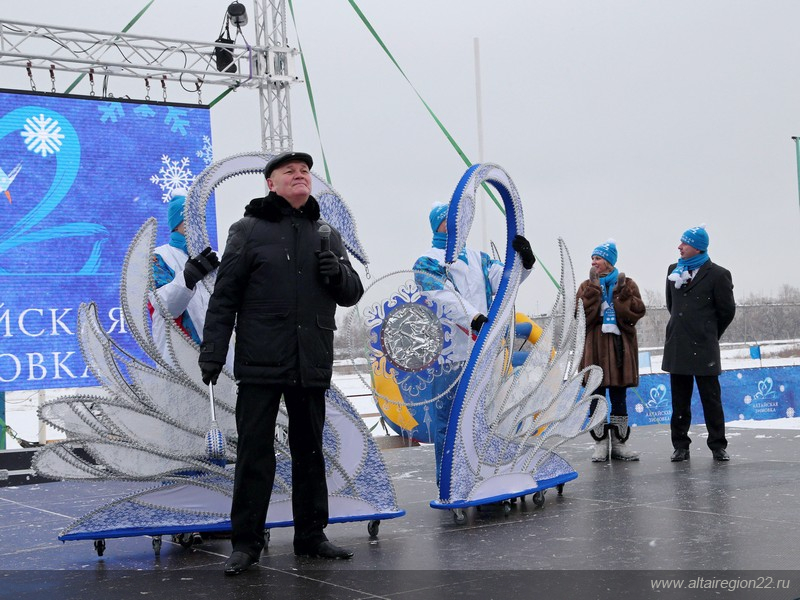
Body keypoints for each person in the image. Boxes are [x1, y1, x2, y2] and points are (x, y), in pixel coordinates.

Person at [198, 151, 364, 575]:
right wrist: (213, 351)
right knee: (254, 454)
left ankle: (311, 535)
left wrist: (336, 272)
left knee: (310, 452)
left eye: (305, 171)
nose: (300, 175)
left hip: (311, 360)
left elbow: (352, 293)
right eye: (290, 171)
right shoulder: (248, 230)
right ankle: (246, 543)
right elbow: (225, 297)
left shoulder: (326, 233)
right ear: (271, 183)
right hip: (261, 361)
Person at [413, 202, 536, 485]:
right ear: (438, 225)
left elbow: (505, 281)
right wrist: (474, 318)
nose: (458, 224)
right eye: (450, 220)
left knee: (484, 418)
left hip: (482, 352)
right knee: (449, 423)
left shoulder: (478, 258)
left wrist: (524, 264)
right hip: (449, 356)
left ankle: (482, 478)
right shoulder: (427, 261)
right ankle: (450, 483)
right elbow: (439, 295)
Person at [662, 225, 735, 462]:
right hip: (678, 345)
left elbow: (726, 311)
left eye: (684, 243)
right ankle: (680, 445)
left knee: (711, 399)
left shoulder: (718, 274)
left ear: (697, 247)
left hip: (704, 347)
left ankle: (717, 445)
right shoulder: (673, 270)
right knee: (679, 401)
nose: (679, 247)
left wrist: (709, 332)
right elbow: (672, 305)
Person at [576, 239, 646, 462]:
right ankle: (599, 443)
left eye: (597, 258)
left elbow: (636, 313)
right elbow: (580, 317)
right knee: (596, 397)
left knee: (619, 397)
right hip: (594, 350)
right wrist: (593, 292)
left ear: (608, 261)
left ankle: (619, 444)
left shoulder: (628, 284)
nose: (593, 262)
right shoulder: (586, 286)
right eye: (592, 258)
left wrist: (621, 296)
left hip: (619, 351)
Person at [150, 190, 222, 362]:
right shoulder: (158, 257)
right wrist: (188, 278)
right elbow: (165, 307)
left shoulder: (216, 257)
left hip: (219, 355)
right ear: (176, 223)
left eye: (201, 218)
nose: (198, 223)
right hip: (179, 357)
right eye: (191, 217)